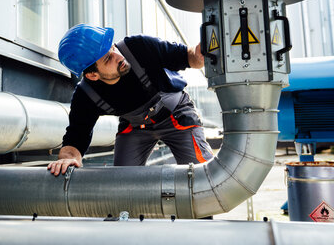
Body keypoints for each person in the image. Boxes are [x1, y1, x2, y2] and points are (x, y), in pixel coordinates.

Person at [47, 23, 214, 176]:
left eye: (112, 47)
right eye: (107, 58)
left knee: (203, 176)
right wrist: (67, 159)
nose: (118, 56)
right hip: (135, 127)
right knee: (121, 183)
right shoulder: (86, 95)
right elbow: (76, 136)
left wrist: (199, 55)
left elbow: (187, 56)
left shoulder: (138, 47)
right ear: (92, 75)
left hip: (176, 115)